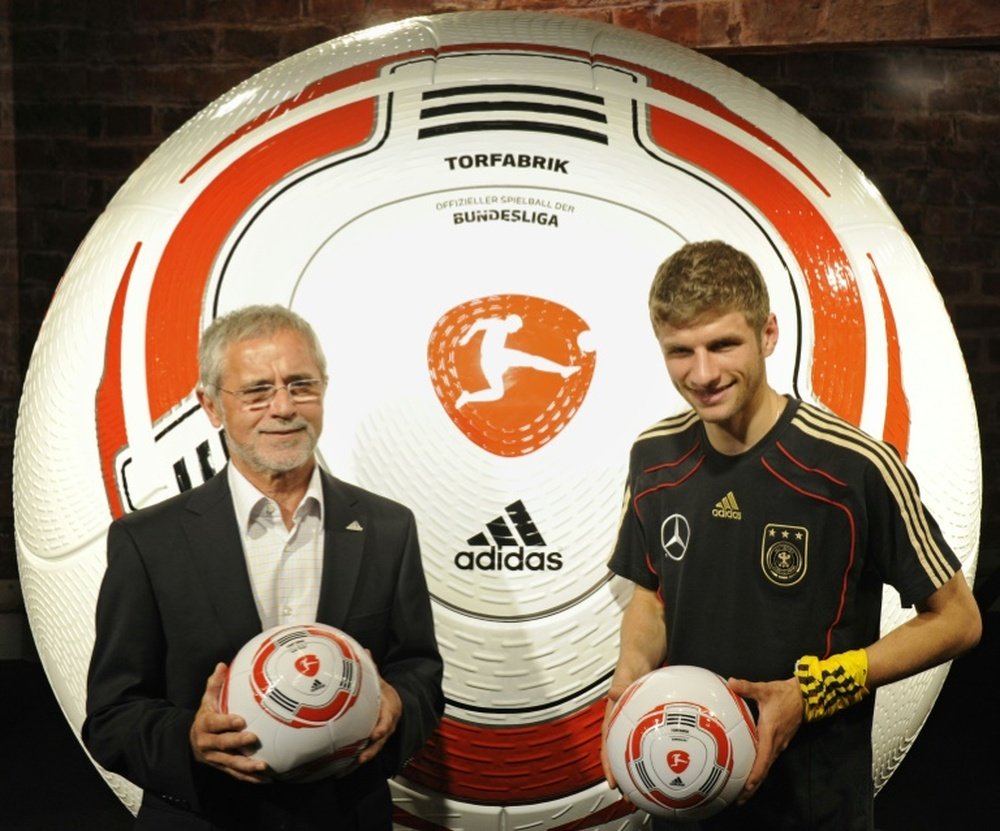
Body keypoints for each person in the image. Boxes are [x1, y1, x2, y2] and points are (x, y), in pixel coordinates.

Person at [601, 240, 981, 830]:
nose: (702, 374)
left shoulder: (856, 467)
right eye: (681, 352)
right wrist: (630, 677)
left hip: (814, 806)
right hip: (683, 796)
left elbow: (958, 620)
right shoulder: (652, 458)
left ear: (769, 333)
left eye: (723, 344)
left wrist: (814, 691)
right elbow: (651, 595)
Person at [83, 305, 443, 831]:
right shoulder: (148, 542)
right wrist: (190, 740)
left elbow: (420, 671)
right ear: (211, 406)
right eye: (256, 391)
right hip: (206, 819)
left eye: (301, 385)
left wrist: (398, 703)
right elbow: (113, 716)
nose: (283, 407)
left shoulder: (389, 529)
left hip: (346, 817)